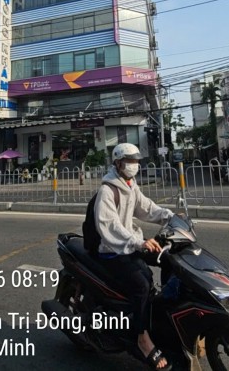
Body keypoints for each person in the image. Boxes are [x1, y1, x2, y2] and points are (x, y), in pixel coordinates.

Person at [94, 143, 174, 371]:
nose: (135, 165)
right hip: (113, 250)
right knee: (142, 284)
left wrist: (169, 216)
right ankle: (142, 338)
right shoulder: (107, 190)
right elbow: (110, 226)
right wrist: (138, 242)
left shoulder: (130, 185)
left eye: (137, 161)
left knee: (169, 258)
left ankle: (165, 315)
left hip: (131, 243)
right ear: (118, 163)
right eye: (130, 161)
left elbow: (146, 208)